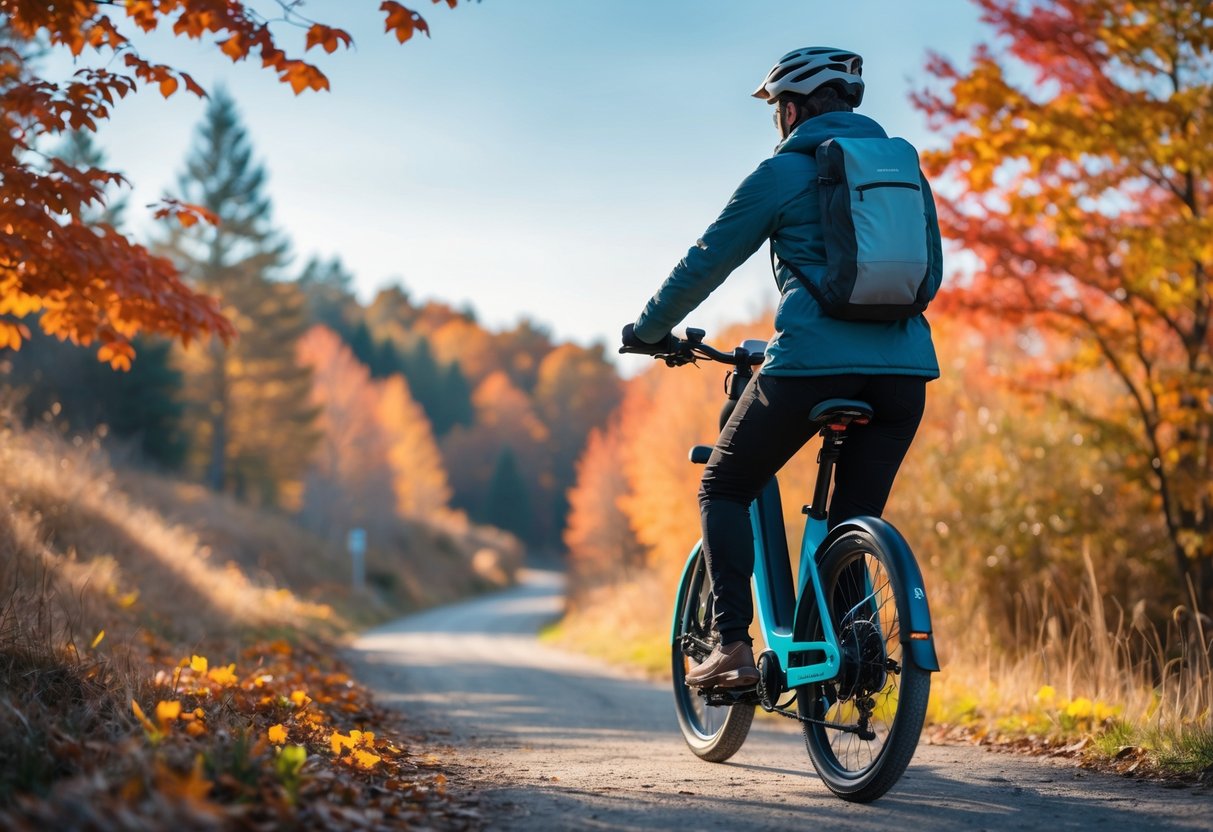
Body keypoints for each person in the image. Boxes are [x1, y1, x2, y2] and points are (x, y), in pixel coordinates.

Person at [621, 47, 943, 689]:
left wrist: (650, 330)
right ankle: (853, 649)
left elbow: (705, 262)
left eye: (778, 110)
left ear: (791, 109)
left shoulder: (781, 173)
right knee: (855, 516)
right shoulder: (903, 173)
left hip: (809, 368)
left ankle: (732, 645)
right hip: (905, 376)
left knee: (724, 484)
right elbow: (926, 271)